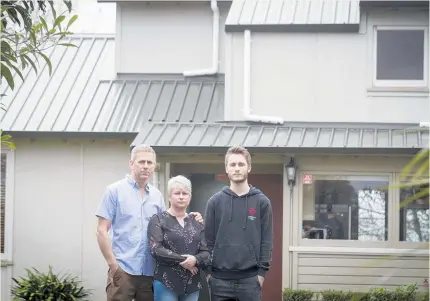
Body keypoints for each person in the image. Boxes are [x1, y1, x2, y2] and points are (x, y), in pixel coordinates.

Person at [95, 144, 203, 301]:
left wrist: (191, 218)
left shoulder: (157, 196)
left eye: (150, 163)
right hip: (123, 269)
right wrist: (113, 266)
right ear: (131, 164)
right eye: (141, 162)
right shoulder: (114, 191)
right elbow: (101, 230)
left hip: (150, 272)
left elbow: (169, 227)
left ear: (154, 166)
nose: (146, 166)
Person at [204, 146, 274, 301]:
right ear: (226, 169)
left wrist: (261, 274)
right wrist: (209, 272)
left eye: (241, 164)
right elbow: (207, 240)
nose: (236, 169)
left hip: (250, 280)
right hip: (219, 281)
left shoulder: (262, 202)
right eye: (232, 164)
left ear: (249, 168)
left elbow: (267, 241)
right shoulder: (215, 202)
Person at [148, 175, 210, 301]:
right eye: (177, 193)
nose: (181, 196)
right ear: (169, 196)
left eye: (185, 193)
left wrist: (195, 259)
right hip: (166, 282)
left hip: (192, 283)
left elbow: (207, 252)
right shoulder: (158, 219)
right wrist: (184, 261)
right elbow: (155, 249)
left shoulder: (197, 222)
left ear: (190, 197)